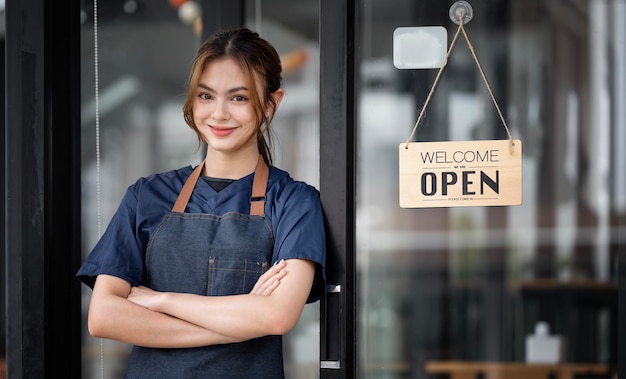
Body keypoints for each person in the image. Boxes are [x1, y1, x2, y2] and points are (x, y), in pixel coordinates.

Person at [76, 27, 326, 378]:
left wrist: (163, 301)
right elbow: (103, 317)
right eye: (206, 96)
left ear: (271, 104)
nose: (219, 114)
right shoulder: (147, 196)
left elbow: (277, 316)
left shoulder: (293, 202)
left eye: (238, 98)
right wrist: (238, 321)